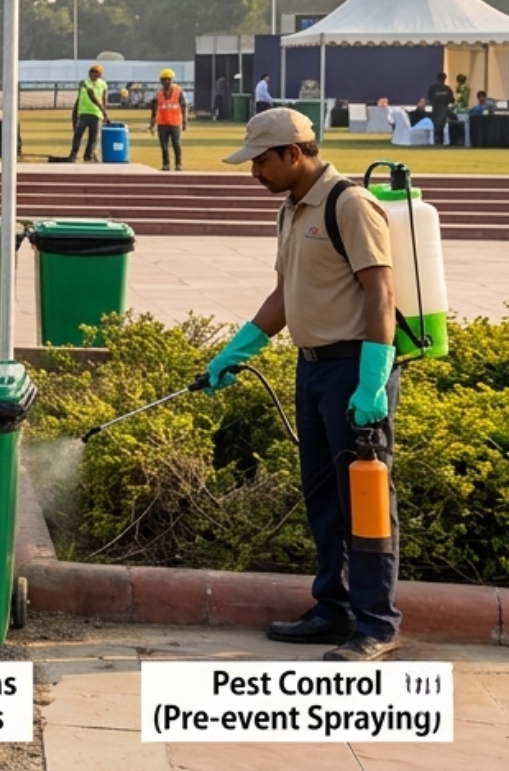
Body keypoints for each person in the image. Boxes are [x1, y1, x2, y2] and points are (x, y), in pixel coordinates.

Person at [207, 109, 401, 662]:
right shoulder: (291, 209)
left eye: (261, 162)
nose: (254, 174)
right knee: (323, 498)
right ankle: (333, 608)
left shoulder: (351, 205)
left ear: (294, 153)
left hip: (355, 369)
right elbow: (285, 296)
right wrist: (237, 350)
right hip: (312, 368)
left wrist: (372, 384)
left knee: (363, 501)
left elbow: (379, 296)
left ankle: (377, 624)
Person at [67, 64, 108, 162]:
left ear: (100, 75)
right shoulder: (84, 83)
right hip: (84, 113)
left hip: (96, 114)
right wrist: (75, 114)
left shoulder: (103, 85)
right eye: (92, 73)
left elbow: (104, 99)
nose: (93, 75)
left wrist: (103, 113)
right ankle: (73, 154)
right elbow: (88, 96)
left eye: (96, 74)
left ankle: (89, 156)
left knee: (93, 137)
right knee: (78, 135)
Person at [153, 69, 186, 171]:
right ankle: (166, 164)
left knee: (176, 144)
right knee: (164, 145)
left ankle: (178, 164)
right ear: (161, 81)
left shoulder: (178, 91)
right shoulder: (158, 93)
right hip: (162, 123)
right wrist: (152, 123)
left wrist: (185, 121)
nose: (166, 82)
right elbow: (154, 109)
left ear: (172, 80)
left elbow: (184, 106)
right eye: (164, 80)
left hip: (175, 122)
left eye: (168, 79)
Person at [425, 72, 455, 146]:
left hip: (436, 110)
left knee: (436, 126)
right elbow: (452, 100)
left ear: (437, 79)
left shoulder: (433, 88)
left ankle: (437, 142)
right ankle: (441, 142)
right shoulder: (447, 89)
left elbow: (430, 99)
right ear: (445, 79)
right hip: (444, 110)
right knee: (441, 126)